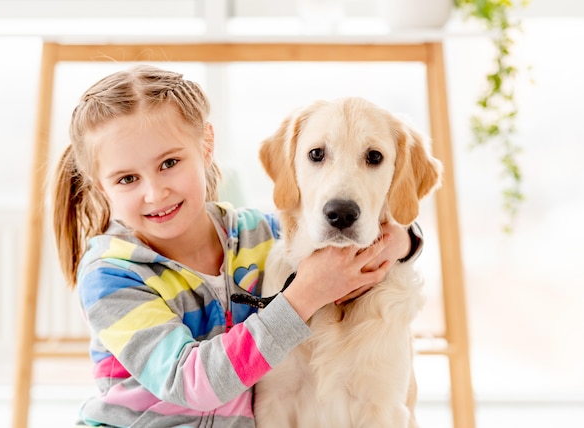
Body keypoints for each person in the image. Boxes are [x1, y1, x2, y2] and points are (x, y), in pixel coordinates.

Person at [51, 65, 423, 427]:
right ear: (102, 187)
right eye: (128, 178)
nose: (154, 192)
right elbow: (189, 382)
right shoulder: (110, 277)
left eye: (169, 163)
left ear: (207, 145)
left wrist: (404, 240)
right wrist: (303, 297)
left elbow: (315, 230)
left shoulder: (253, 234)